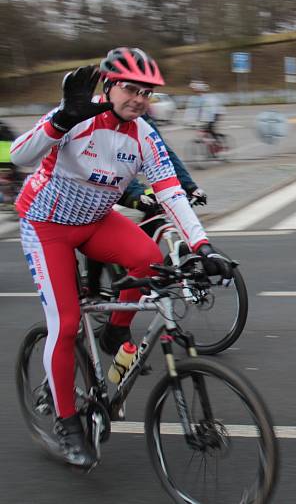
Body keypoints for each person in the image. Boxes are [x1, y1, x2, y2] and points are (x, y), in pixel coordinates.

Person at [10, 47, 233, 469]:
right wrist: (60, 120)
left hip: (96, 220)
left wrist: (203, 246)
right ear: (109, 86)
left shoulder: (144, 134)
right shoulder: (78, 116)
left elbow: (170, 192)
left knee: (150, 260)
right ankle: (67, 421)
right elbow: (19, 155)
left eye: (145, 92)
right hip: (46, 226)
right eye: (130, 88)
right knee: (67, 324)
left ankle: (115, 334)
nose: (138, 99)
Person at [83, 109, 207, 298]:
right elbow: (114, 168)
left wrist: (190, 187)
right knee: (97, 230)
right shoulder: (105, 123)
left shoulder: (144, 122)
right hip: (105, 188)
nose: (139, 101)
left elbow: (167, 155)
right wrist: (137, 195)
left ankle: (140, 267)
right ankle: (93, 289)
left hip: (136, 187)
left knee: (153, 215)